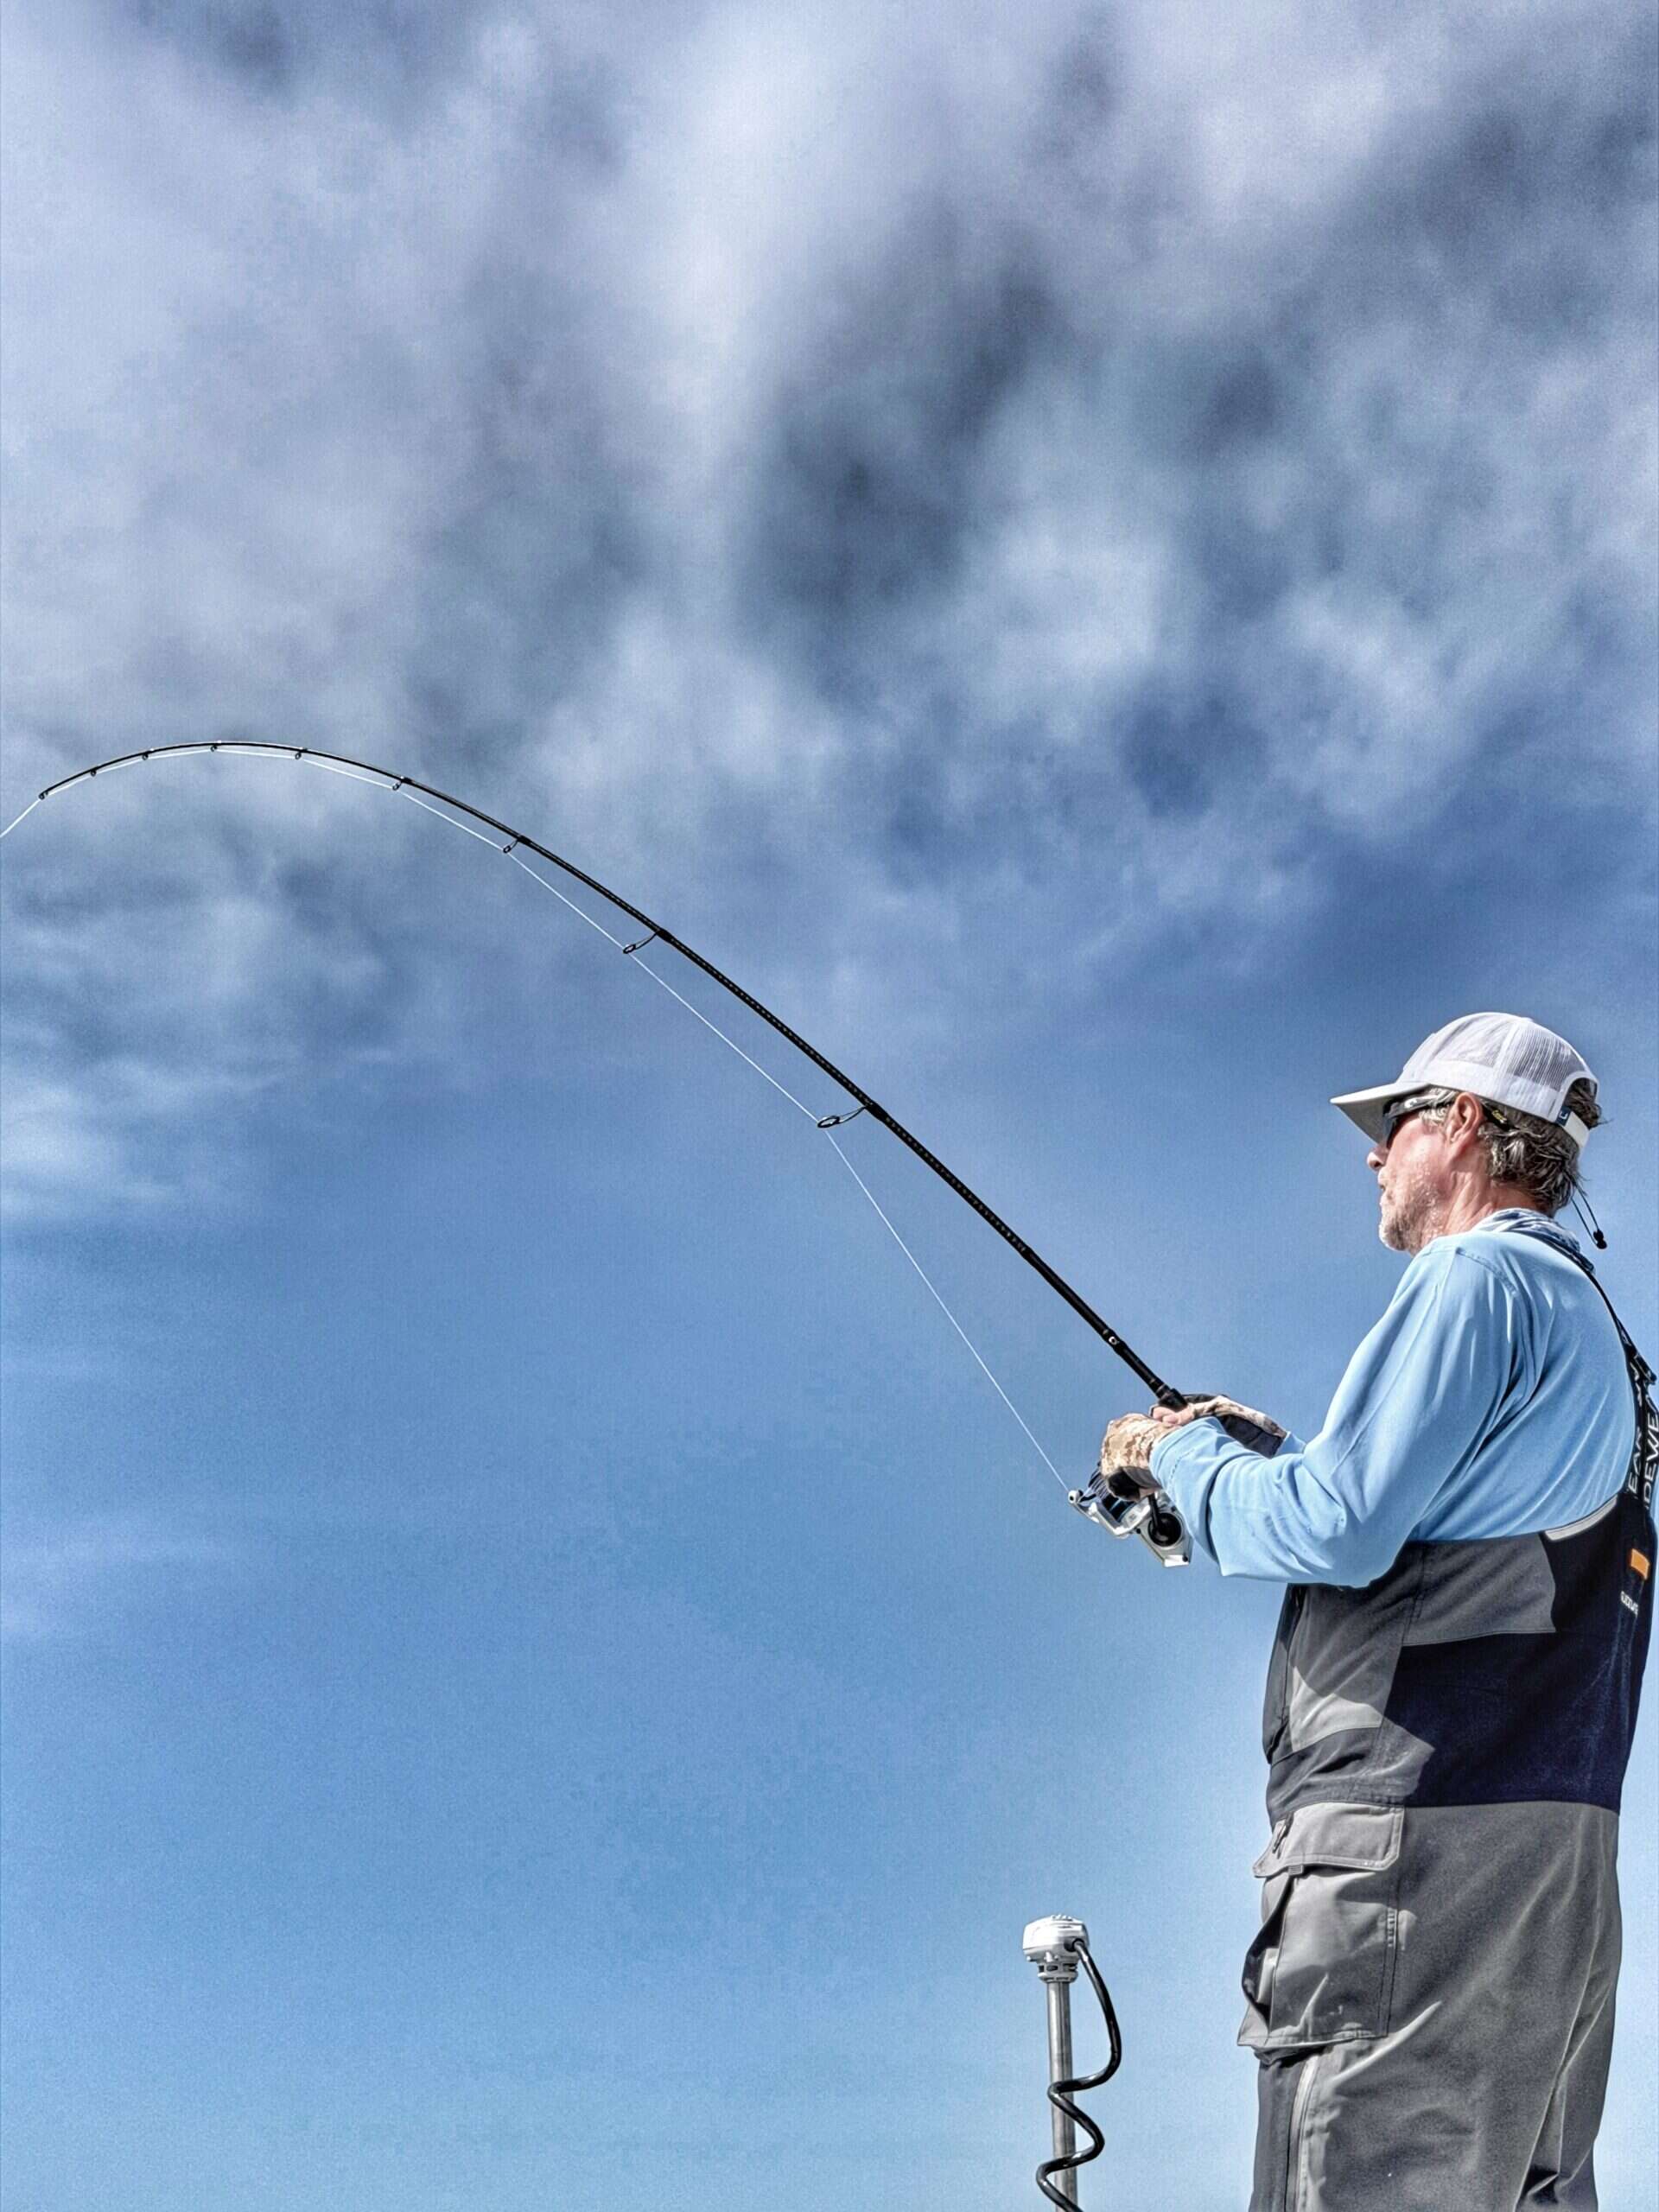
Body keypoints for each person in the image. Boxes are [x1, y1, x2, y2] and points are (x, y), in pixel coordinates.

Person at [1098, 1012, 1655, 2212]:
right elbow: (1442, 1535)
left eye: (1392, 1122)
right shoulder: (1597, 1337)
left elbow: (1341, 1527)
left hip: (1416, 1843)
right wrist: (1265, 1462)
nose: (1371, 1154)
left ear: (1463, 1124)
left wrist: (1180, 1461)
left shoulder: (1475, 1275)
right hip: (1556, 1871)